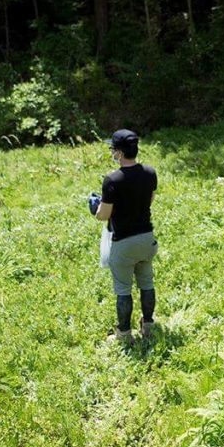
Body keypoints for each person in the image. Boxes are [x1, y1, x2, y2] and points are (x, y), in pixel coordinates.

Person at [91, 129, 159, 345]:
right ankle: (148, 326)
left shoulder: (112, 180)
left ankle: (124, 334)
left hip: (124, 242)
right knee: (146, 283)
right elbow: (149, 201)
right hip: (147, 238)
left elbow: (103, 215)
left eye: (113, 149)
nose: (112, 153)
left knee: (123, 289)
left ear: (119, 153)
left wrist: (94, 207)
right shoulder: (150, 172)